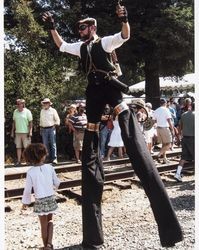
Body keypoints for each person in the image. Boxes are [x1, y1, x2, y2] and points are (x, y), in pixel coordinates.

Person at [42, 4, 183, 248]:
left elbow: (124, 36)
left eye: (83, 27)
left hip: (111, 89)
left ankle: (170, 231)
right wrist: (52, 28)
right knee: (91, 146)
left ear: (92, 27)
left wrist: (124, 18)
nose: (80, 29)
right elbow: (62, 45)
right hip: (94, 95)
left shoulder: (103, 43)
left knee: (134, 142)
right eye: (79, 27)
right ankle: (92, 238)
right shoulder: (81, 48)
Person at [21, 143, 60, 250]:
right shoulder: (50, 167)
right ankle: (49, 244)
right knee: (50, 221)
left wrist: (25, 203)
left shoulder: (30, 172)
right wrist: (53, 190)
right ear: (43, 155)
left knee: (43, 225)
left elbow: (27, 190)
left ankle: (45, 246)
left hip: (40, 201)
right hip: (50, 198)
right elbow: (57, 182)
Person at [174, 102, 195, 182]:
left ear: (190, 106)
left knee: (183, 157)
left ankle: (177, 173)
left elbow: (180, 127)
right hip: (194, 138)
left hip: (185, 139)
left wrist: (179, 138)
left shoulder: (184, 114)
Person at [11, 99, 33, 166]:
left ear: (23, 104)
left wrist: (30, 131)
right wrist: (12, 131)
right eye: (18, 104)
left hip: (26, 132)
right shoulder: (15, 111)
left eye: (20, 103)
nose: (19, 105)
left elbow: (31, 122)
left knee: (27, 148)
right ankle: (18, 161)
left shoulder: (27, 111)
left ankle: (28, 161)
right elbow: (14, 122)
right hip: (17, 132)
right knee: (18, 147)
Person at [153, 98, 174, 164]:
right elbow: (169, 120)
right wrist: (172, 129)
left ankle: (164, 159)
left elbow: (154, 121)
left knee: (164, 144)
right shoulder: (166, 110)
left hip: (158, 128)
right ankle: (158, 155)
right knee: (169, 144)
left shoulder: (156, 110)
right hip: (164, 128)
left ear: (160, 103)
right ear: (165, 103)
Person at [40, 98, 60, 164]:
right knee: (45, 145)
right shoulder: (42, 111)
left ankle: (54, 159)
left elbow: (57, 119)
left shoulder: (53, 110)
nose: (45, 104)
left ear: (49, 103)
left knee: (53, 144)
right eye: (44, 103)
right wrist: (41, 128)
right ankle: (47, 158)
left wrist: (55, 125)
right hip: (43, 129)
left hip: (51, 128)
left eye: (46, 103)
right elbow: (41, 120)